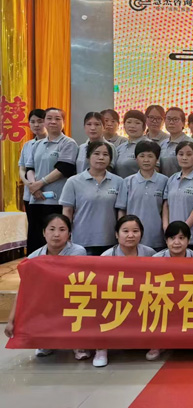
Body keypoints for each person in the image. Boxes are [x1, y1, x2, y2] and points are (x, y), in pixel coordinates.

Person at [3, 214, 86, 359]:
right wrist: (11, 320)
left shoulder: (78, 251)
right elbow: (23, 289)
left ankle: (78, 344)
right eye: (51, 229)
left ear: (69, 234)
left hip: (72, 296)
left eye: (62, 230)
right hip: (47, 300)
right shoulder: (33, 258)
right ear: (43, 232)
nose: (56, 234)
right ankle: (45, 342)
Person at [94, 215, 156, 368]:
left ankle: (155, 344)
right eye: (125, 231)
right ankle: (101, 349)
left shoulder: (150, 253)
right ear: (117, 234)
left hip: (142, 297)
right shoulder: (106, 256)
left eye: (135, 231)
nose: (130, 235)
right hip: (115, 298)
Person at [25, 108, 79, 254]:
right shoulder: (37, 144)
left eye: (57, 119)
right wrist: (33, 186)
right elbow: (29, 168)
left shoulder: (68, 143)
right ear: (44, 122)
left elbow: (64, 168)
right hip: (36, 199)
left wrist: (40, 183)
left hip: (57, 201)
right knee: (36, 239)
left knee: (55, 241)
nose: (53, 122)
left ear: (64, 122)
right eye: (49, 118)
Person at [59, 141, 123, 255]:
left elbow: (121, 212)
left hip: (110, 240)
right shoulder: (73, 182)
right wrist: (65, 234)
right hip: (82, 240)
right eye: (96, 153)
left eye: (105, 154)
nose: (101, 157)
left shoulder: (119, 182)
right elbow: (67, 211)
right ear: (88, 157)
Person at [116, 140, 169, 251]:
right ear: (136, 158)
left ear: (157, 159)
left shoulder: (165, 181)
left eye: (150, 156)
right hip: (132, 238)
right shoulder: (127, 182)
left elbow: (166, 208)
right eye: (142, 156)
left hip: (156, 237)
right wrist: (121, 231)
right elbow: (122, 210)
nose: (146, 160)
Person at [162, 142, 193, 255]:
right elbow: (166, 205)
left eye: (189, 154)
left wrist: (183, 229)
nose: (184, 158)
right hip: (172, 237)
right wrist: (166, 227)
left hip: (192, 237)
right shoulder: (172, 179)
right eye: (181, 154)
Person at [19, 109, 46, 213]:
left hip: (49, 194)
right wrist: (29, 185)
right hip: (30, 195)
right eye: (32, 122)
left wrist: (37, 185)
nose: (36, 125)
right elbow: (22, 168)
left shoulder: (57, 143)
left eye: (40, 121)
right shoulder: (27, 145)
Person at [159, 107, 193, 177]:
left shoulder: (190, 143)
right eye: (168, 119)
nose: (171, 122)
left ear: (183, 123)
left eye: (175, 119)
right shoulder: (163, 144)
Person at [114, 109, 148, 178]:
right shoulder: (120, 148)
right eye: (129, 122)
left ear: (144, 126)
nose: (132, 126)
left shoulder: (149, 145)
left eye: (137, 123)